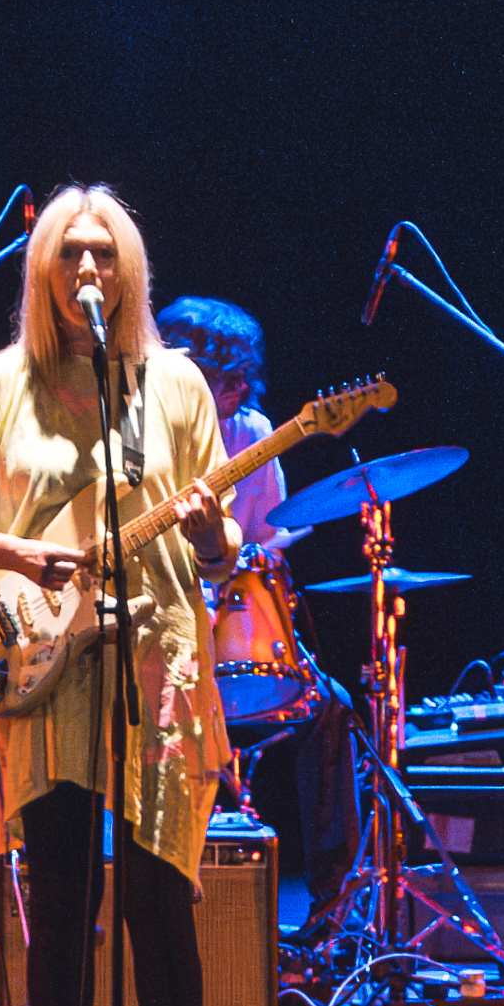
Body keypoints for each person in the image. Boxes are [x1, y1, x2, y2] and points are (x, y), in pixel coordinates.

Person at [0, 184, 248, 1006]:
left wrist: (212, 532)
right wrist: (17, 557)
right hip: (45, 665)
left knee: (158, 895)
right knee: (59, 899)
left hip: (158, 666)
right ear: (41, 271)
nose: (87, 267)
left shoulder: (176, 384)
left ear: (129, 273)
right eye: (68, 252)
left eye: (104, 253)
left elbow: (224, 543)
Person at [161, 291, 354, 925]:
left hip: (236, 640)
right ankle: (190, 905)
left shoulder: (253, 435)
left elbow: (267, 542)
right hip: (160, 640)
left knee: (331, 708)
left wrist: (267, 548)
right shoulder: (140, 437)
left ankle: (334, 906)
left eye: (240, 374)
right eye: (222, 374)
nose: (237, 387)